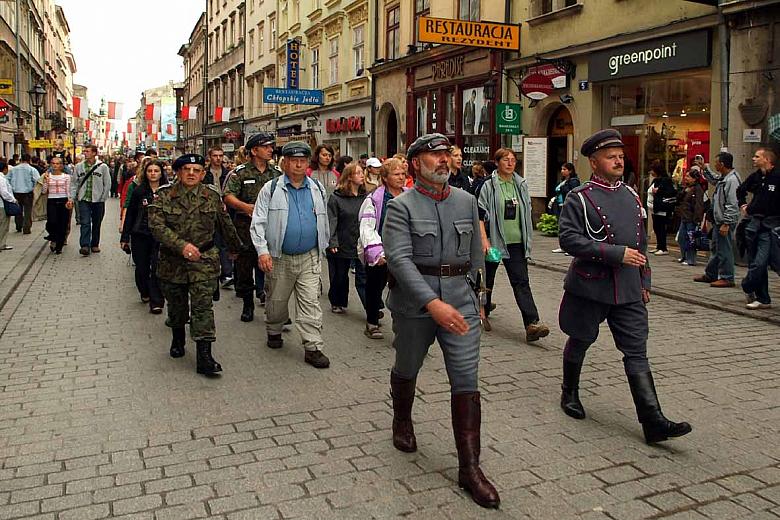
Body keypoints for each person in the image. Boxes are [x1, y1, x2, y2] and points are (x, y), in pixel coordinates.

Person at [383, 133, 499, 509]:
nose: (443, 160)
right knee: (408, 364)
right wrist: (432, 303)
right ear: (416, 163)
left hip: (461, 300)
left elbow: (477, 256)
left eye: (446, 154)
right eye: (434, 155)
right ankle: (402, 418)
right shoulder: (401, 207)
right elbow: (399, 261)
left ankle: (470, 468)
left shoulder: (466, 201)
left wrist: (481, 300)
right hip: (416, 305)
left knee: (466, 378)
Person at [557, 129, 692, 444]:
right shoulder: (581, 197)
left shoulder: (631, 194)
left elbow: (642, 243)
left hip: (629, 288)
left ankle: (653, 421)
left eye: (620, 156)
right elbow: (569, 239)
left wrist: (645, 279)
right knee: (580, 338)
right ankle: (570, 393)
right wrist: (615, 254)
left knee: (636, 350)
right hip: (591, 285)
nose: (618, 161)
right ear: (594, 162)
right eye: (610, 157)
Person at [148, 154, 242, 375]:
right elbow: (157, 227)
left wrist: (235, 248)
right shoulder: (164, 195)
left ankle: (204, 356)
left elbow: (224, 223)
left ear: (202, 174)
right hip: (173, 262)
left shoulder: (211, 196)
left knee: (203, 308)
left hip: (204, 260)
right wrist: (181, 246)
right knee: (178, 305)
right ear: (178, 173)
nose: (191, 173)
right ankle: (178, 337)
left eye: (196, 170)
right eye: (187, 169)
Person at [250, 141, 331, 369]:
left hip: (309, 256)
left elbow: (323, 219)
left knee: (310, 302)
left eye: (302, 160)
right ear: (284, 163)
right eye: (293, 160)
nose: (298, 164)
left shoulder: (317, 187)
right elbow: (258, 222)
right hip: (279, 257)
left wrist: (323, 246)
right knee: (276, 301)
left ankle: (313, 347)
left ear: (307, 163)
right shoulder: (271, 188)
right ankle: (274, 330)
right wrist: (263, 251)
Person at [478, 148, 549, 340]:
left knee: (521, 282)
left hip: (516, 242)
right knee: (487, 280)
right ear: (497, 162)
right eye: (506, 160)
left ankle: (531, 324)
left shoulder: (520, 184)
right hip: (494, 241)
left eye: (513, 160)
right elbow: (480, 215)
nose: (510, 163)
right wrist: (485, 241)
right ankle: (482, 310)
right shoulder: (489, 186)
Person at [224, 132, 281, 322]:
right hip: (245, 226)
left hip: (270, 226)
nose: (270, 150)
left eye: (270, 146)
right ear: (254, 150)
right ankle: (248, 305)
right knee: (245, 267)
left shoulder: (277, 174)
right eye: (266, 147)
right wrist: (245, 207)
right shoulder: (240, 172)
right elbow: (228, 196)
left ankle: (274, 308)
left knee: (272, 267)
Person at [358, 158, 408, 339]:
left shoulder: (410, 196)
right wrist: (377, 252)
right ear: (385, 177)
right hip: (382, 252)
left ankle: (404, 327)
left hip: (405, 253)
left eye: (403, 174)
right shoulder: (375, 199)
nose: (401, 177)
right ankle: (372, 323)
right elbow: (367, 227)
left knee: (405, 290)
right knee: (375, 288)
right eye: (396, 174)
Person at [121, 159, 168, 313]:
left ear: (161, 173)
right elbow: (131, 215)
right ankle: (144, 290)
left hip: (160, 235)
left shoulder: (168, 191)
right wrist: (125, 237)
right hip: (140, 233)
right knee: (141, 267)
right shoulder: (139, 191)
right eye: (150, 171)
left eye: (156, 171)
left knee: (156, 267)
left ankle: (156, 300)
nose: (153, 174)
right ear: (145, 173)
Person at [737, 147, 780, 310]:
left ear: (767, 160)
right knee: (754, 261)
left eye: (757, 156)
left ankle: (747, 285)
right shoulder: (755, 177)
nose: (753, 159)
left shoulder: (777, 177)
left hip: (771, 225)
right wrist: (743, 205)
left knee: (761, 262)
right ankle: (763, 298)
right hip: (754, 224)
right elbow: (740, 190)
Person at [695, 152, 741, 287]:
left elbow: (733, 204)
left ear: (722, 164)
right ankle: (711, 274)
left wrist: (726, 223)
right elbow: (715, 180)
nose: (714, 165)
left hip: (724, 221)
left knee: (724, 249)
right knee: (716, 248)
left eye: (716, 162)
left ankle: (727, 277)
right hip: (718, 220)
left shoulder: (731, 180)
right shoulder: (725, 178)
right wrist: (705, 169)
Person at [326, 163, 367, 314]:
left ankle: (372, 308)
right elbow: (332, 221)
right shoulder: (336, 198)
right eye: (358, 173)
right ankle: (337, 301)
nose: (362, 175)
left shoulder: (366, 196)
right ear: (349, 177)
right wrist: (332, 241)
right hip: (341, 242)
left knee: (363, 277)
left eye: (362, 172)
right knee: (340, 277)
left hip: (360, 242)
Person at [71, 145, 111, 256]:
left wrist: (103, 198)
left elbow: (107, 183)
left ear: (94, 153)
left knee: (97, 222)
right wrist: (72, 197)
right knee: (85, 222)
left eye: (87, 151)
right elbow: (74, 183)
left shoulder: (102, 167)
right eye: (85, 151)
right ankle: (84, 245)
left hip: (98, 199)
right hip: (84, 199)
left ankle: (94, 244)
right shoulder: (79, 167)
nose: (85, 153)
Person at [41, 157, 72, 254]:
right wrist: (45, 181)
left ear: (62, 165)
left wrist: (70, 200)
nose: (55, 165)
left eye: (58, 163)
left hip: (63, 200)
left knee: (63, 223)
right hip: (52, 200)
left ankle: (59, 244)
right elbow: (44, 191)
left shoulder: (67, 177)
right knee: (52, 222)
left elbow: (68, 189)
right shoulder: (47, 176)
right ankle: (53, 237)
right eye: (53, 163)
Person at [6, 153, 39, 234]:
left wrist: (11, 188)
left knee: (18, 210)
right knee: (28, 210)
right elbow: (37, 180)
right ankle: (26, 228)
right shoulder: (32, 169)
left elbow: (7, 179)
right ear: (29, 160)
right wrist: (33, 188)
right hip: (28, 193)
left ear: (21, 159)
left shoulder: (13, 169)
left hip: (16, 192)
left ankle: (18, 226)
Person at [550, 162, 580, 253]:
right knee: (561, 226)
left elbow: (572, 192)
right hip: (559, 204)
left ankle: (571, 247)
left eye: (564, 169)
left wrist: (564, 188)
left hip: (568, 205)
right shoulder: (562, 181)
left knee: (569, 226)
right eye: (562, 169)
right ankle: (562, 245)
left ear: (570, 171)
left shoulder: (574, 181)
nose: (562, 171)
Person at [648, 164, 676, 256]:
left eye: (652, 170)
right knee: (656, 227)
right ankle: (659, 246)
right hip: (654, 208)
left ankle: (663, 248)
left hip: (662, 207)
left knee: (661, 228)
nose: (650, 172)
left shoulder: (665, 180)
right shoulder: (656, 180)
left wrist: (658, 191)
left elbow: (671, 192)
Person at [0, 160, 18, 251]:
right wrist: (13, 200)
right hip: (2, 205)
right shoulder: (1, 179)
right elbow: (4, 193)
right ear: (4, 169)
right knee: (3, 225)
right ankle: (1, 244)